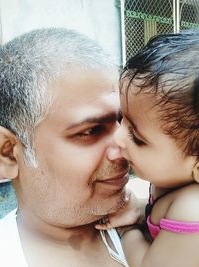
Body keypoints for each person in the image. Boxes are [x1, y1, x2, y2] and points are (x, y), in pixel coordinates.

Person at [0, 28, 133, 267]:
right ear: (8, 153)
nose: (125, 147)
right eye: (90, 131)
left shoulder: (167, 221)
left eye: (124, 122)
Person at [96, 30, 199, 267]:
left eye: (137, 138)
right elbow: (161, 214)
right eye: (123, 118)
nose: (118, 136)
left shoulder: (192, 210)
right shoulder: (173, 175)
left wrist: (128, 229)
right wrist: (140, 210)